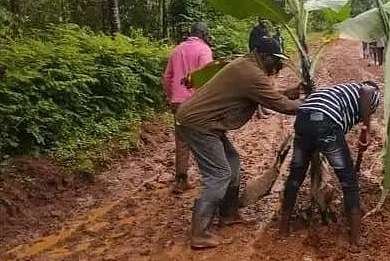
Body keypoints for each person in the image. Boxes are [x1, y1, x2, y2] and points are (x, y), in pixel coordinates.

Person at [175, 38, 304, 249]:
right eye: (274, 60)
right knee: (219, 173)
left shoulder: (248, 66)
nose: (277, 65)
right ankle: (199, 232)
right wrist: (308, 104)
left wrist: (294, 92)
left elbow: (267, 95)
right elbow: (281, 105)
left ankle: (228, 213)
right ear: (263, 56)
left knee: (232, 161)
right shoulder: (250, 73)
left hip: (204, 122)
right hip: (198, 124)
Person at [278, 81, 381, 246]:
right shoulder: (370, 91)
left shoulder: (339, 91)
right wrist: (367, 128)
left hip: (303, 119)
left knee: (295, 176)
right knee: (349, 182)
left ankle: (282, 231)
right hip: (325, 122)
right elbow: (368, 91)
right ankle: (355, 241)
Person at [163, 22, 213, 193]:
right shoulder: (204, 50)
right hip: (196, 102)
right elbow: (207, 78)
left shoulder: (177, 49)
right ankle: (210, 178)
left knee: (182, 141)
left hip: (178, 103)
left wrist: (172, 97)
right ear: (204, 35)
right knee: (204, 139)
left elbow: (168, 77)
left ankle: (181, 180)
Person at [248, 17, 275, 119]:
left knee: (265, 85)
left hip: (266, 61)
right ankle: (259, 112)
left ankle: (264, 108)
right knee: (259, 86)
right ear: (259, 20)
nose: (264, 21)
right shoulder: (256, 31)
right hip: (258, 61)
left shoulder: (266, 30)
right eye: (262, 19)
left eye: (265, 19)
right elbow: (252, 46)